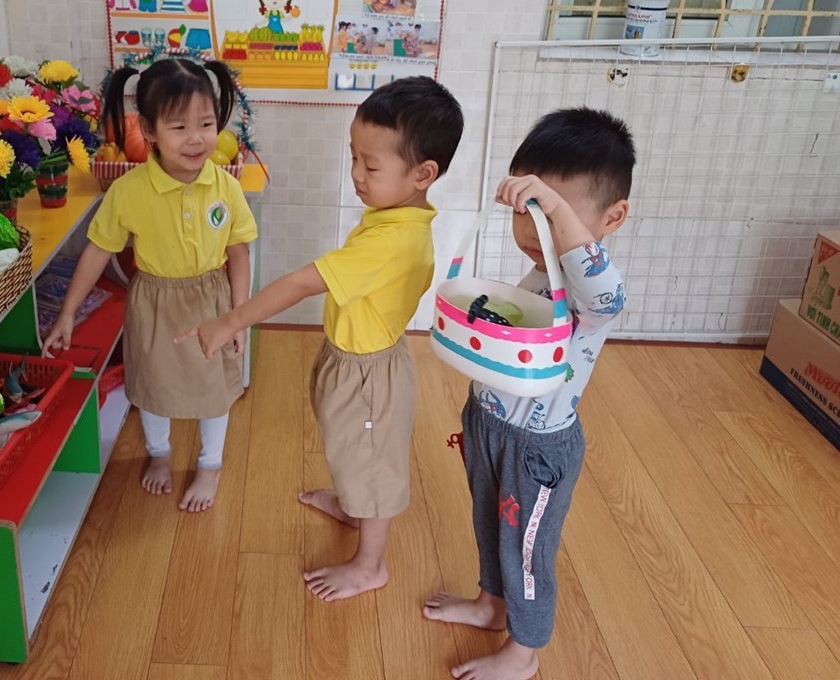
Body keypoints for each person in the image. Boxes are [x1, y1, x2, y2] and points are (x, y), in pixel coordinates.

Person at [178, 76, 464, 600]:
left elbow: (300, 283)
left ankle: (370, 564)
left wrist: (229, 322)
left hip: (369, 375)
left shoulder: (393, 240)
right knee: (349, 446)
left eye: (370, 166)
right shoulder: (394, 216)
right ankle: (352, 505)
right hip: (352, 359)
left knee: (371, 465)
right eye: (354, 157)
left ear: (423, 174)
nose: (355, 174)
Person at [423, 107, 634, 680]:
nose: (536, 227)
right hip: (489, 425)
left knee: (527, 550)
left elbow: (609, 298)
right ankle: (492, 605)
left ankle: (524, 651)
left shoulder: (592, 289)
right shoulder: (544, 270)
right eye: (529, 212)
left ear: (612, 217)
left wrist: (556, 211)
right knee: (491, 526)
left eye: (553, 213)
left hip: (538, 449)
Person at [41, 58, 257, 513]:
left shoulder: (226, 186)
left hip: (212, 300)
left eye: (206, 124)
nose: (196, 138)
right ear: (148, 130)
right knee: (153, 388)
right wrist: (67, 313)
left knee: (214, 390)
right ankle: (159, 453)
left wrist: (239, 316)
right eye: (179, 127)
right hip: (154, 304)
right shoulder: (128, 190)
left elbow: (239, 252)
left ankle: (210, 464)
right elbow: (97, 251)